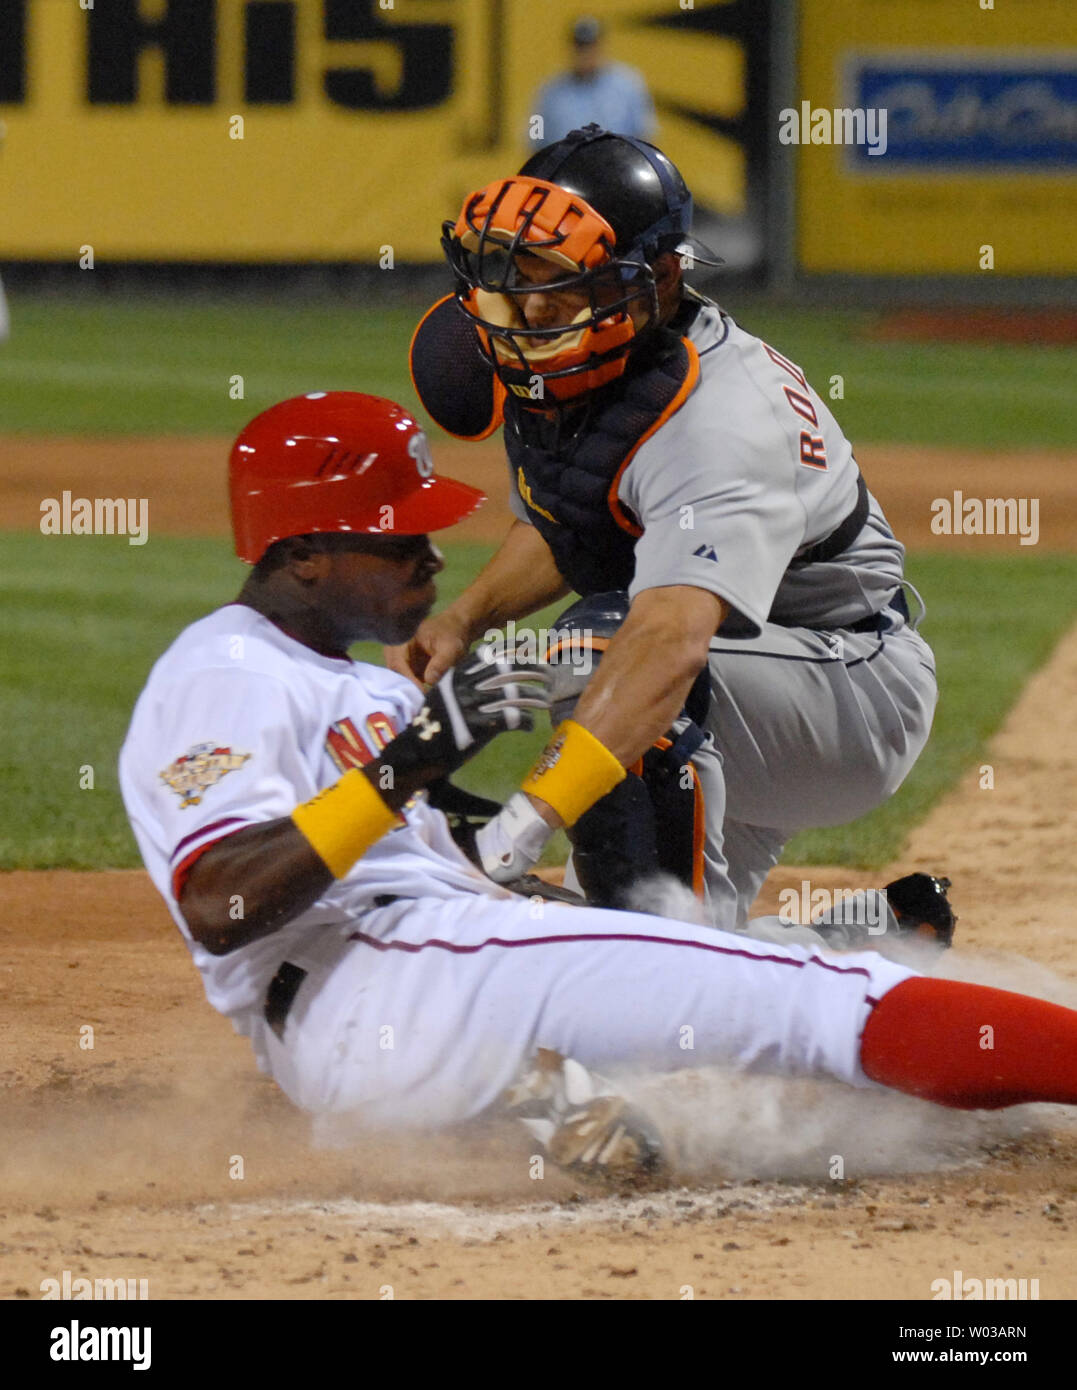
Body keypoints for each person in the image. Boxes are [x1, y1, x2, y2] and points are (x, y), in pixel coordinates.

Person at [117, 389, 1077, 1182]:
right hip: (408, 978)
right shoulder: (227, 674)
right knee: (819, 1005)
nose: (435, 556)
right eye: (400, 540)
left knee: (670, 1002)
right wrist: (415, 758)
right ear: (301, 554)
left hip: (370, 1034)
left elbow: (419, 851)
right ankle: (726, 991)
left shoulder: (354, 680)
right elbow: (219, 900)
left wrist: (464, 823)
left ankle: (525, 1100)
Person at [400, 124, 939, 933]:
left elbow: (669, 642)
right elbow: (574, 521)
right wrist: (464, 618)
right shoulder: (564, 348)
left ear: (651, 280)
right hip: (744, 680)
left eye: (557, 281)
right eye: (516, 275)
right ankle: (882, 939)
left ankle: (646, 966)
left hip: (848, 687)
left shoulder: (723, 420)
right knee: (715, 944)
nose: (527, 307)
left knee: (599, 652)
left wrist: (529, 820)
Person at [530, 17, 655, 149]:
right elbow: (534, 140)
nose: (586, 54)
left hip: (616, 166)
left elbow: (645, 136)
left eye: (591, 46)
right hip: (567, 167)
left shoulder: (628, 86)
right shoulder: (550, 93)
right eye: (581, 47)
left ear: (601, 46)